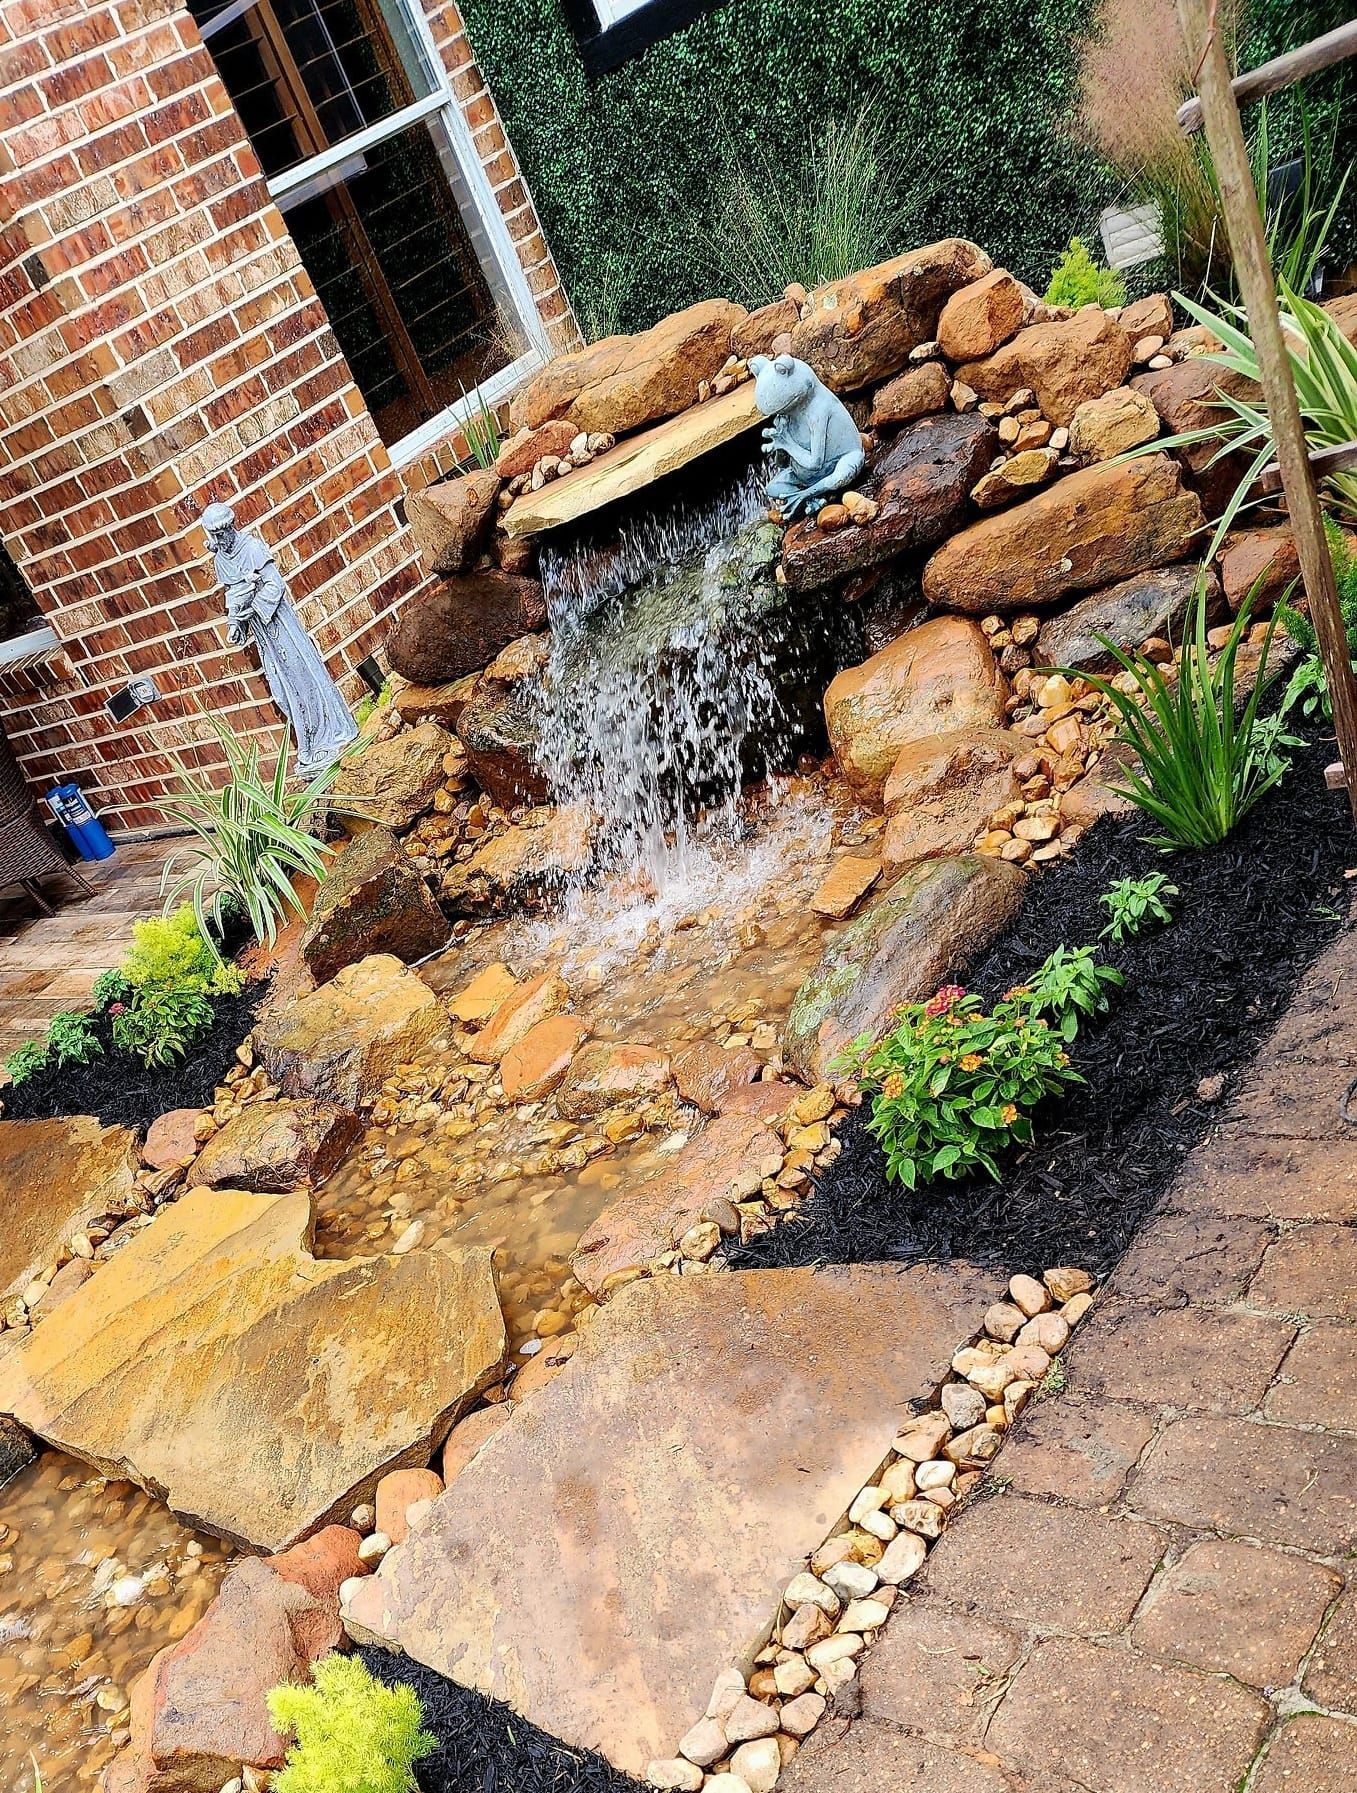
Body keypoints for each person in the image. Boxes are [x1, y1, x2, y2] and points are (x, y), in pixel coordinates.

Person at [201, 501, 357, 777]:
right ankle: (310, 741)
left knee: (302, 681)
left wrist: (255, 607)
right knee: (282, 690)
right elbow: (233, 595)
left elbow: (274, 584)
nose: (219, 540)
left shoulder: (251, 548)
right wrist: (236, 622)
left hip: (280, 626)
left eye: (222, 533)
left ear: (230, 528)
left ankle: (328, 735)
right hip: (263, 634)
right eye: (214, 535)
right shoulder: (220, 560)